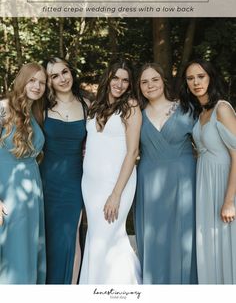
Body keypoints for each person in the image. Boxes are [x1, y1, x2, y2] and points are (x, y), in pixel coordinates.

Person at [79, 61, 142, 284]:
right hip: (90, 184)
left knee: (111, 236)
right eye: (116, 78)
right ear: (108, 79)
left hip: (117, 184)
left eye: (125, 80)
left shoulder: (131, 107)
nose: (120, 84)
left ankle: (123, 289)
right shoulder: (94, 105)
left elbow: (132, 152)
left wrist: (115, 194)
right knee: (96, 236)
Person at [135, 63, 198, 284]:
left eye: (154, 79)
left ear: (163, 81)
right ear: (139, 87)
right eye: (144, 81)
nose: (150, 85)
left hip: (184, 181)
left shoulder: (186, 108)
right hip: (149, 182)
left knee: (183, 234)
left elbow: (205, 142)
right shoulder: (136, 115)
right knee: (153, 237)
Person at [179, 59, 236, 284]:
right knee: (210, 246)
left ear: (210, 77)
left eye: (201, 76)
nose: (196, 82)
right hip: (205, 185)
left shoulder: (222, 108)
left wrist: (230, 201)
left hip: (225, 186)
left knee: (227, 244)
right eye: (190, 78)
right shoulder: (201, 112)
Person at [40, 57, 89, 284]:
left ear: (72, 72)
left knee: (70, 237)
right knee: (48, 238)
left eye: (65, 72)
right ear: (48, 82)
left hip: (75, 182)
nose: (62, 79)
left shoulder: (87, 105)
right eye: (54, 76)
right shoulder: (41, 108)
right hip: (46, 181)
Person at [0, 62, 47, 284]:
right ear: (22, 80)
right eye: (32, 80)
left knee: (28, 249)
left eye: (42, 82)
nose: (37, 86)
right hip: (8, 191)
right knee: (11, 252)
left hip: (32, 192)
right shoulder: (3, 108)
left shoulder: (35, 112)